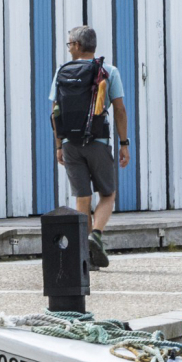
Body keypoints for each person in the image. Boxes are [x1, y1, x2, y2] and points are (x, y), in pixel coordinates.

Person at [49, 25, 129, 268]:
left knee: (82, 198)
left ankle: (85, 257)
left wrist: (59, 145)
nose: (68, 48)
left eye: (69, 44)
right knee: (108, 194)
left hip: (71, 144)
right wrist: (124, 143)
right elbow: (120, 110)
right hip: (98, 141)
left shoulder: (61, 71)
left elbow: (55, 113)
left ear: (76, 45)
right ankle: (96, 235)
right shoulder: (108, 70)